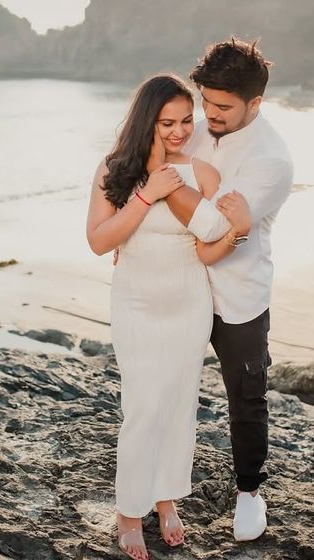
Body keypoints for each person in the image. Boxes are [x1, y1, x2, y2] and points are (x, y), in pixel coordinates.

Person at [86, 74, 251, 560]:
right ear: (146, 121)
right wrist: (148, 192)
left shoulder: (201, 172)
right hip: (135, 303)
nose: (180, 131)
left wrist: (236, 234)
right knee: (142, 406)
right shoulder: (114, 169)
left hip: (188, 303)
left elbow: (207, 248)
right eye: (167, 123)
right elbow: (99, 241)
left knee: (179, 406)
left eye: (186, 120)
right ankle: (129, 511)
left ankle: (165, 500)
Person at [148, 38, 293, 543]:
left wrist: (163, 184)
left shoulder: (272, 160)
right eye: (205, 100)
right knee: (165, 386)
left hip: (238, 293)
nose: (209, 114)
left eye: (223, 106)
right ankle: (157, 488)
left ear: (256, 103)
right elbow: (152, 183)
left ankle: (250, 492)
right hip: (179, 280)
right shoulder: (198, 128)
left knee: (246, 395)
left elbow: (214, 232)